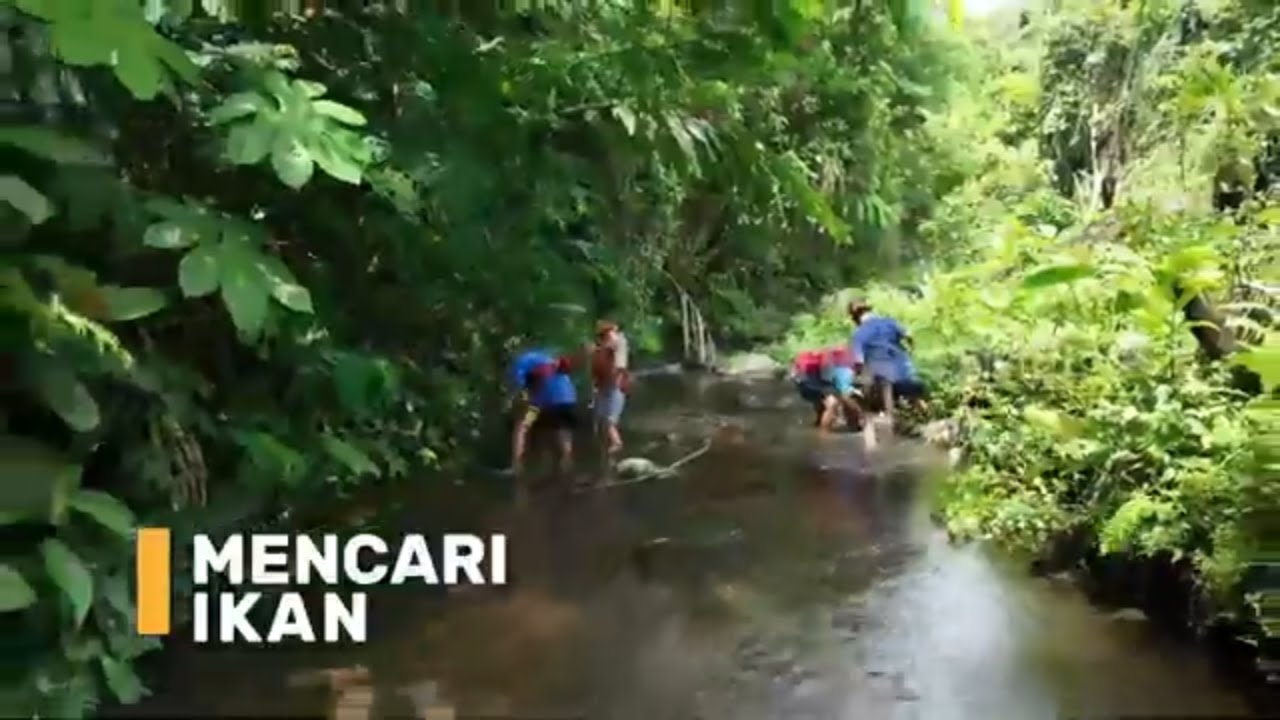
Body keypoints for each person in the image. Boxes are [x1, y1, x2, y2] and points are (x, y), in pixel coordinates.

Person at [847, 299, 927, 424]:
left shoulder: (859, 333)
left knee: (880, 390)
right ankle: (926, 417)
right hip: (904, 368)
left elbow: (859, 361)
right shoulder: (890, 322)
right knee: (915, 396)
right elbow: (909, 336)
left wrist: (855, 376)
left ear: (855, 318)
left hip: (882, 376)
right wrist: (910, 353)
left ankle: (889, 419)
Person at [509, 348, 580, 477]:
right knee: (563, 431)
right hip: (569, 398)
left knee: (522, 427)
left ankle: (517, 466)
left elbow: (521, 390)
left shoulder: (520, 363)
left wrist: (523, 402)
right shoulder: (548, 359)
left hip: (544, 402)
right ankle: (566, 466)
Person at [790, 347, 856, 433]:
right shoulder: (822, 357)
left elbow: (794, 375)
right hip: (816, 384)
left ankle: (823, 426)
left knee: (823, 402)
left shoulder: (805, 356)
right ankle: (825, 431)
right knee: (833, 403)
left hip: (810, 385)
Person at [590, 320, 631, 456]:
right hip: (603, 387)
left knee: (609, 420)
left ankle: (616, 443)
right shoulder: (599, 352)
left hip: (614, 387)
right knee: (602, 418)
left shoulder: (614, 347)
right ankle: (607, 445)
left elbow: (618, 347)